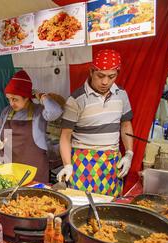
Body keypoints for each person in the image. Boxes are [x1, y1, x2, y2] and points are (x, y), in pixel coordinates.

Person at [57, 49, 134, 197]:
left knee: (110, 209)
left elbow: (126, 124)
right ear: (91, 71)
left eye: (111, 76)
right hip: (83, 163)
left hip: (112, 162)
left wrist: (129, 153)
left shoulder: (122, 95)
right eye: (101, 76)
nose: (105, 82)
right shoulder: (76, 99)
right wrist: (67, 165)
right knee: (81, 207)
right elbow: (65, 136)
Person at [0, 70, 63, 183]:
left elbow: (56, 111)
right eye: (9, 99)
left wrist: (41, 96)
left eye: (15, 99)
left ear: (26, 97)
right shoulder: (6, 112)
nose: (11, 103)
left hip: (35, 174)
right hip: (10, 171)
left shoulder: (38, 112)